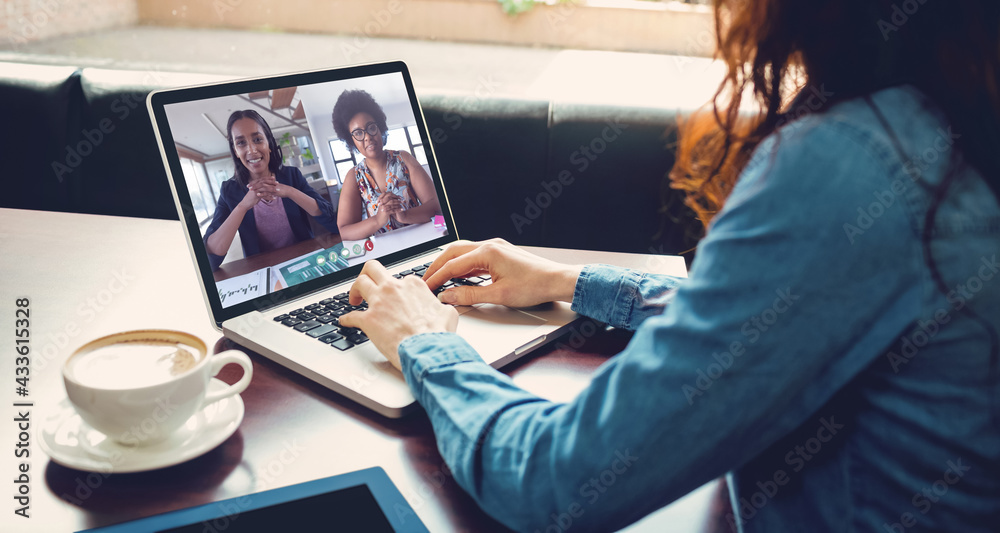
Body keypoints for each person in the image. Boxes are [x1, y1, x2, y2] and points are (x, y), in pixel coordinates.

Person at [340, 1, 1000, 531]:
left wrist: (425, 344)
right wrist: (570, 282)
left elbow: (554, 483)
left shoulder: (854, 163)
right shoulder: (956, 120)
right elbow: (786, 314)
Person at [203, 110, 338, 270]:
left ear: (269, 144)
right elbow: (209, 261)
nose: (252, 150)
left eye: (258, 139)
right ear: (236, 151)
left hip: (304, 262)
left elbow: (334, 223)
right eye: (241, 143)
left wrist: (290, 192)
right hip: (263, 271)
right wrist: (242, 206)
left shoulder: (292, 176)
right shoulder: (229, 190)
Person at [332, 89, 441, 240]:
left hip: (423, 239)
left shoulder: (404, 158)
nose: (368, 137)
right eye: (358, 133)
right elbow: (344, 231)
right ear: (351, 141)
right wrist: (378, 220)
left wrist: (405, 215)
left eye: (371, 127)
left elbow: (437, 206)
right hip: (387, 251)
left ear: (379, 127)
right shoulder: (354, 176)